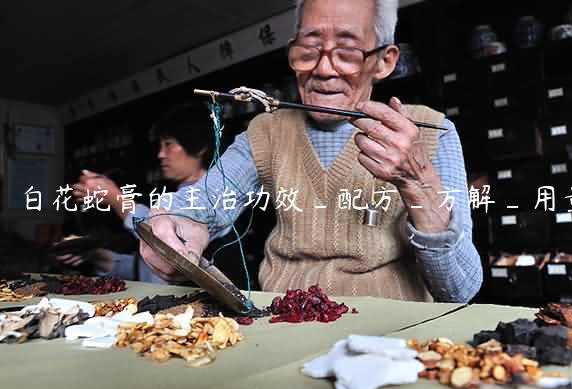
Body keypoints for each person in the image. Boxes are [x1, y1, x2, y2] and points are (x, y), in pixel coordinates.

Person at [140, 0, 483, 302]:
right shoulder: (267, 130)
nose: (323, 69)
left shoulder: (430, 131)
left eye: (347, 52)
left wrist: (416, 181)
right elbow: (207, 202)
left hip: (389, 340)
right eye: (308, 49)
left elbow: (460, 288)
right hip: (285, 327)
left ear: (384, 61)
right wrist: (176, 223)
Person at [57, 103, 214, 283]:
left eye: (169, 144)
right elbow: (154, 269)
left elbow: (166, 242)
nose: (161, 154)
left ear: (200, 147)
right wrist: (98, 257)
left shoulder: (211, 197)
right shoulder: (174, 196)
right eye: (160, 145)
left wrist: (115, 198)